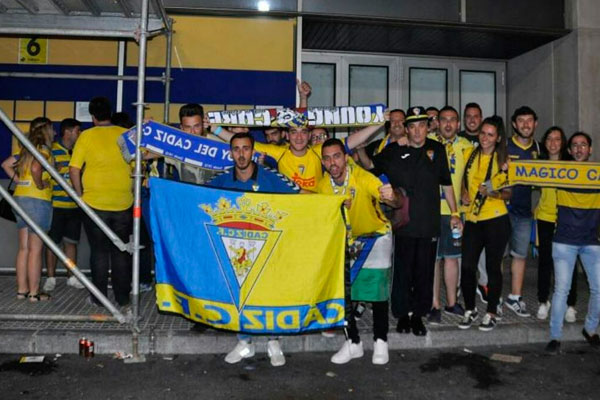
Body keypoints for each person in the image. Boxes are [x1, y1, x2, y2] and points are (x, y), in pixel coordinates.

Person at [207, 132, 299, 367]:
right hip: (236, 250)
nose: (241, 154)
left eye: (245, 148)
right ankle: (244, 342)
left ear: (253, 151)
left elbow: (301, 196)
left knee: (270, 293)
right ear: (231, 153)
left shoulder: (271, 177)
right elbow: (193, 195)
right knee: (239, 294)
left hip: (268, 248)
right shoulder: (222, 179)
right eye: (236, 149)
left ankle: (273, 342)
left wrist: (332, 202)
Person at [371, 106, 462, 337]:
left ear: (427, 127)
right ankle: (402, 314)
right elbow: (370, 168)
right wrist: (365, 136)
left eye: (422, 125)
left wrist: (454, 213)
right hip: (403, 225)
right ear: (407, 130)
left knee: (424, 273)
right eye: (413, 126)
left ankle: (418, 316)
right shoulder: (393, 151)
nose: (418, 131)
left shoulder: (437, 150)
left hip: (429, 223)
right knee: (402, 272)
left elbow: (447, 184)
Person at [317, 138, 400, 365]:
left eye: (336, 156)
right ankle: (353, 343)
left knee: (377, 292)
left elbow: (394, 202)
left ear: (345, 157)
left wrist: (391, 196)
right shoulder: (323, 186)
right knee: (344, 294)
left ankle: (381, 341)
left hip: (376, 236)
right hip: (347, 241)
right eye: (327, 158)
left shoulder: (362, 177)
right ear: (323, 162)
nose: (332, 162)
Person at [213, 111, 386, 192]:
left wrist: (379, 123)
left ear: (309, 135)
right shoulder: (278, 152)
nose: (299, 137)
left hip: (315, 208)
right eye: (294, 132)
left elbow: (352, 141)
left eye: (303, 132)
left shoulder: (319, 151)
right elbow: (241, 144)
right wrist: (214, 128)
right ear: (287, 135)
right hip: (291, 212)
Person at [69, 97, 132, 307]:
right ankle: (123, 297)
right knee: (122, 250)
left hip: (94, 203)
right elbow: (135, 163)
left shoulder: (86, 136)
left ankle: (99, 297)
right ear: (110, 112)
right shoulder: (124, 134)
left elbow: (74, 169)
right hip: (123, 202)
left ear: (93, 116)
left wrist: (80, 196)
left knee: (99, 251)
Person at [546, 132, 600, 354]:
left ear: (590, 150)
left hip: (592, 242)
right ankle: (555, 336)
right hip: (564, 242)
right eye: (575, 145)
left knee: (599, 289)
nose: (579, 149)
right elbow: (529, 172)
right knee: (562, 290)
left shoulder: (597, 174)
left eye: (583, 145)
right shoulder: (558, 173)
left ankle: (590, 329)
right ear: (569, 151)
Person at [458, 116, 512, 331]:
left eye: (490, 135)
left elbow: (509, 194)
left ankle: (491, 311)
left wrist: (493, 192)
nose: (485, 138)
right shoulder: (470, 154)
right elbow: (464, 180)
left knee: (492, 267)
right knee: (468, 266)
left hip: (496, 219)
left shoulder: (504, 161)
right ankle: (470, 309)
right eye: (483, 133)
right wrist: (463, 193)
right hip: (473, 219)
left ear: (498, 138)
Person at [427, 106, 473, 324]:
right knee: (434, 260)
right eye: (443, 119)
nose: (447, 124)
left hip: (455, 214)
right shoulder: (427, 143)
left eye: (452, 120)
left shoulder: (466, 147)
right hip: (431, 211)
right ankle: (434, 304)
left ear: (458, 124)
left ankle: (452, 303)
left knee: (452, 259)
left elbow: (476, 173)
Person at [2, 119, 55, 302]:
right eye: (52, 130)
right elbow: (36, 167)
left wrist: (19, 181)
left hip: (20, 198)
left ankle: (21, 290)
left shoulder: (25, 149)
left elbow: (6, 164)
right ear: (47, 131)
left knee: (24, 248)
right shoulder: (44, 151)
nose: (54, 133)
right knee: (35, 250)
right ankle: (34, 293)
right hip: (38, 201)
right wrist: (40, 184)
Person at [534, 126, 578, 321]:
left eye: (557, 139)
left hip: (567, 219)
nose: (553, 143)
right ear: (545, 142)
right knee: (545, 261)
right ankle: (543, 301)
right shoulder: (538, 164)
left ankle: (570, 304)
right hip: (545, 217)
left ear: (563, 143)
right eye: (549, 138)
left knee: (569, 262)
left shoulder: (572, 165)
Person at [505, 106, 541, 317]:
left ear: (535, 124)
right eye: (521, 120)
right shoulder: (505, 146)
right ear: (514, 124)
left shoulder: (538, 148)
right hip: (502, 208)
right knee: (497, 255)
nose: (525, 124)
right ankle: (493, 297)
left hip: (524, 212)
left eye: (529, 120)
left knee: (520, 255)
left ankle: (515, 297)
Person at [43, 118, 85, 292]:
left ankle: (71, 276)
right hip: (56, 205)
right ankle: (51, 277)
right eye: (77, 131)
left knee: (71, 243)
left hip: (74, 206)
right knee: (53, 243)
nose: (79, 134)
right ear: (67, 132)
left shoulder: (79, 151)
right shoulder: (52, 151)